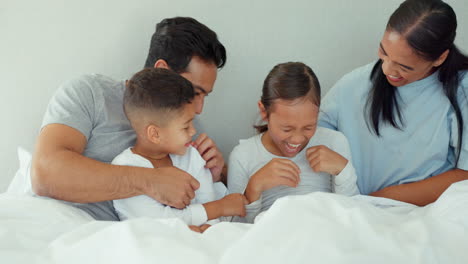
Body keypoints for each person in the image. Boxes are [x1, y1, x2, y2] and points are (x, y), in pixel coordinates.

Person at [31, 17, 227, 221]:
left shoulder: (188, 126)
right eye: (194, 92)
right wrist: (149, 181)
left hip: (151, 238)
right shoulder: (90, 93)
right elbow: (45, 174)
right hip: (72, 225)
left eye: (206, 96)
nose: (199, 109)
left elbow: (203, 202)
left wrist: (216, 173)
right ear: (162, 70)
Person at [319, 0, 468, 206]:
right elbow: (307, 135)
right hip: (353, 210)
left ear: (439, 58)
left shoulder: (462, 90)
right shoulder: (355, 84)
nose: (387, 69)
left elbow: (464, 175)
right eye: (383, 52)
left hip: (419, 215)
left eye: (404, 66)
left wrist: (373, 203)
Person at [112, 68, 247, 232]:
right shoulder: (125, 169)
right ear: (155, 134)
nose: (193, 131)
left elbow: (207, 201)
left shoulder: (191, 155)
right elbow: (161, 222)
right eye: (185, 127)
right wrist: (220, 207)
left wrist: (208, 228)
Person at [227, 62, 359, 223]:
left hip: (325, 231)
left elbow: (353, 214)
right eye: (287, 129)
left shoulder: (335, 142)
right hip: (273, 238)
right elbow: (234, 228)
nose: (297, 139)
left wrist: (343, 171)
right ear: (264, 111)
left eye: (308, 127)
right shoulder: (243, 155)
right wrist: (254, 187)